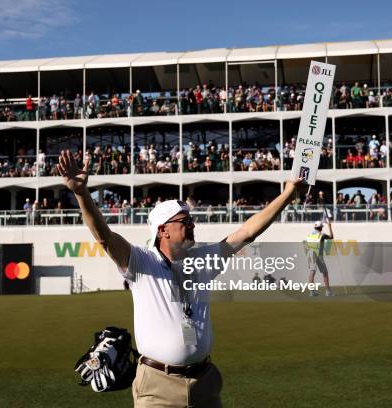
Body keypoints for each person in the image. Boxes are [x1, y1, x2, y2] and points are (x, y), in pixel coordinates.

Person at [57, 150, 303, 407]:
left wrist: (287, 193)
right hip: (156, 386)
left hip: (204, 381)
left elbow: (248, 231)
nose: (192, 225)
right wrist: (81, 193)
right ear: (162, 230)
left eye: (191, 220)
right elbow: (104, 238)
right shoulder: (141, 262)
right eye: (184, 221)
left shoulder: (202, 259)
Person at [306, 219, 334, 297]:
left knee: (312, 272)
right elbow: (331, 237)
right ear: (321, 227)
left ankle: (312, 292)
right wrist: (329, 226)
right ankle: (328, 291)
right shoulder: (322, 235)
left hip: (310, 254)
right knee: (325, 273)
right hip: (318, 254)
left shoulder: (310, 234)